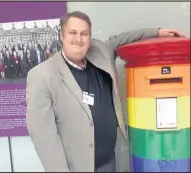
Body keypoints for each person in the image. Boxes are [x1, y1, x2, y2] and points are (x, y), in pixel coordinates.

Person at [26, 11, 185, 172]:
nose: (78, 39)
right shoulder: (41, 76)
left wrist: (156, 32)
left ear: (90, 37)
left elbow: (121, 39)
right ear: (62, 35)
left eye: (84, 34)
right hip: (77, 167)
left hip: (108, 162)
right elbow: (44, 137)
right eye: (72, 33)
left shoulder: (100, 52)